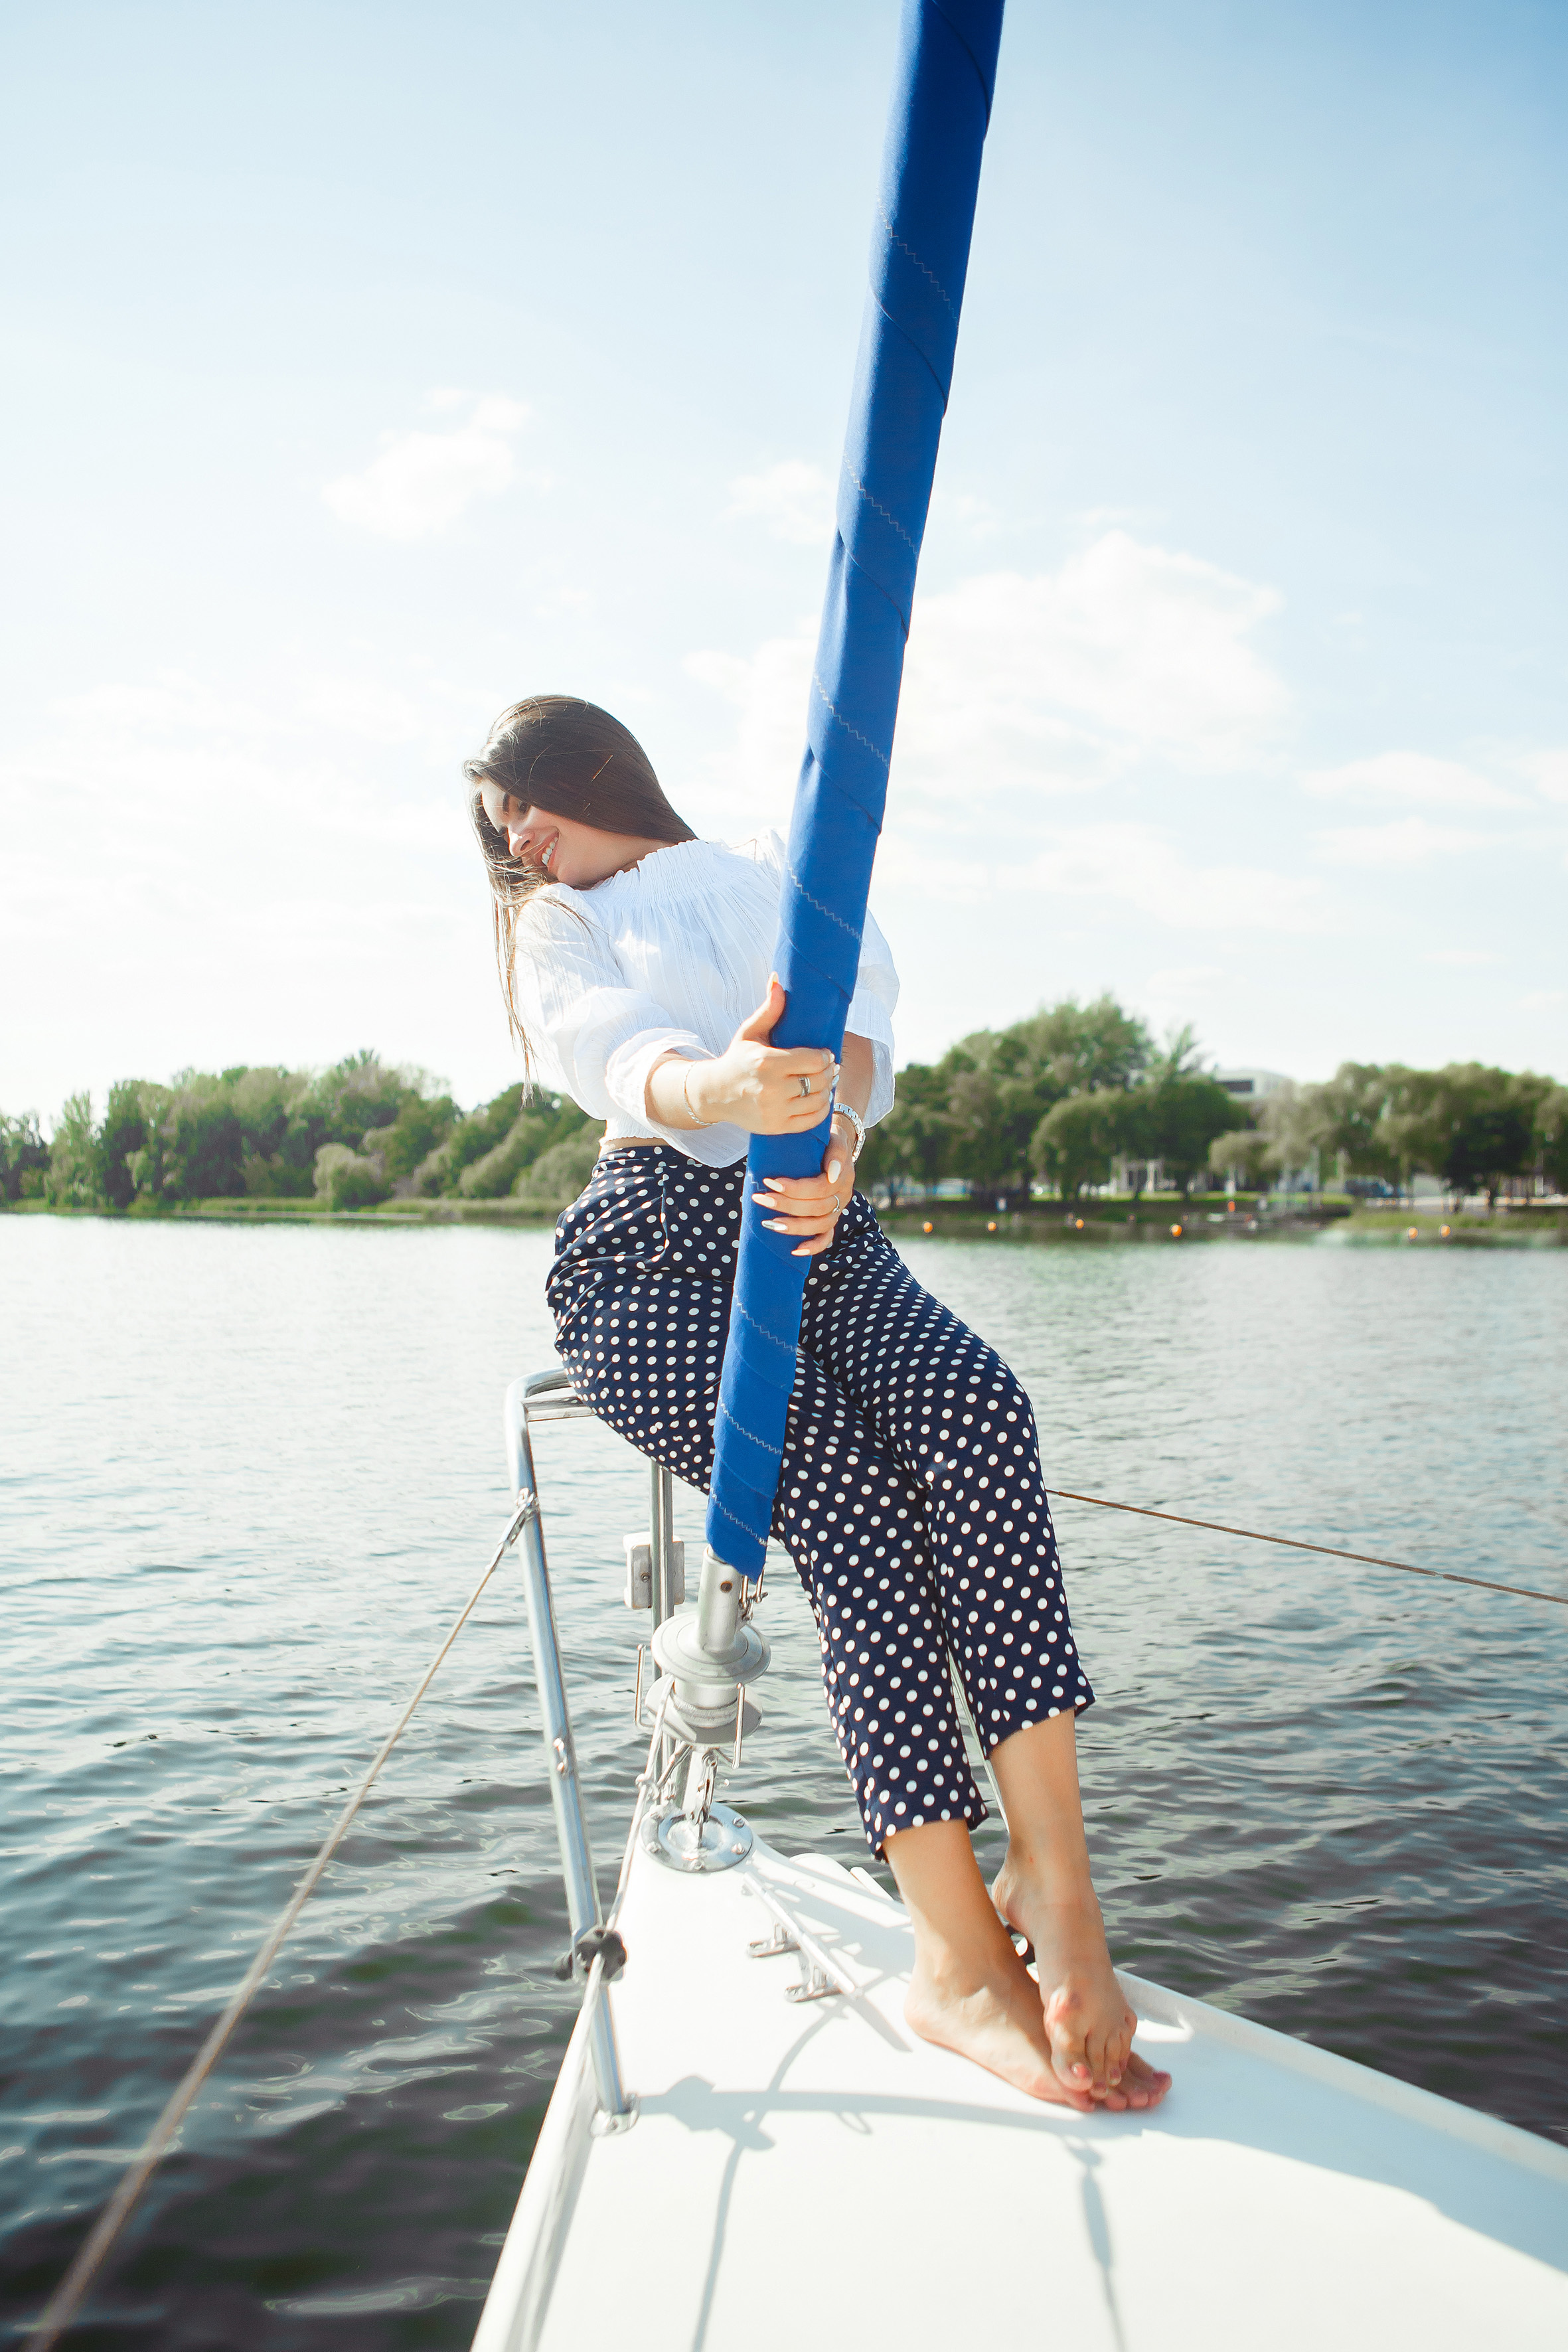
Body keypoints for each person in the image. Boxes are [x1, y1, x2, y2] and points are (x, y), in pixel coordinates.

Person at [468, 693, 1170, 2114]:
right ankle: (953, 1951)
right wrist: (718, 1077)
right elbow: (620, 1060)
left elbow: (855, 1016)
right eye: (504, 835)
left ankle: (1054, 1873)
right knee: (842, 1492)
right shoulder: (557, 928)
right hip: (651, 1245)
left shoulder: (759, 863)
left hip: (810, 1214)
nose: (524, 845)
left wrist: (834, 1127)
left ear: (587, 766)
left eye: (527, 807)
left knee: (972, 1406)